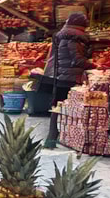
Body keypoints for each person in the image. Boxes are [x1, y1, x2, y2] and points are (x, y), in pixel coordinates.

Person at [41, 12, 96, 148]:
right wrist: (94, 64)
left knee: (58, 106)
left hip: (61, 76)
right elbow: (76, 59)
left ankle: (53, 137)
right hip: (69, 78)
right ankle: (55, 139)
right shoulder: (74, 38)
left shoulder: (64, 35)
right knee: (64, 107)